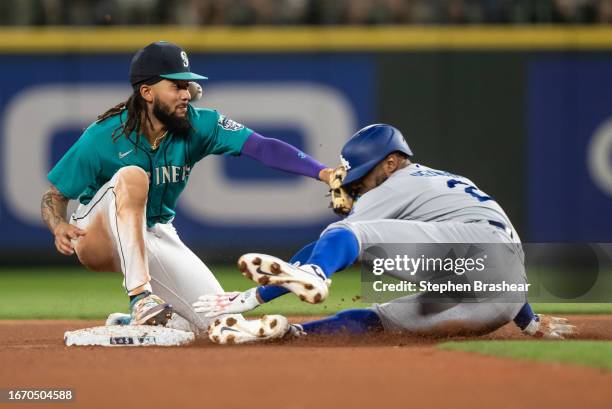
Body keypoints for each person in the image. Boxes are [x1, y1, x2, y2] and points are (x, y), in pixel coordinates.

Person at [40, 41, 333, 334]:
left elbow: (264, 147)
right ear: (147, 92)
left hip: (153, 233)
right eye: (176, 85)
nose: (186, 94)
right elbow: (54, 196)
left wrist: (322, 172)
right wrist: (58, 226)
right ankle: (140, 299)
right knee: (132, 176)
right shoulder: (103, 136)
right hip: (95, 234)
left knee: (221, 323)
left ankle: (143, 321)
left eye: (187, 85)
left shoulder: (199, 125)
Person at [194, 124, 576, 344]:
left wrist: (257, 294)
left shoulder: (397, 184)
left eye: (362, 177)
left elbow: (330, 242)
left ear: (391, 162)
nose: (357, 186)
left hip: (476, 267)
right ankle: (288, 335)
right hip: (497, 302)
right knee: (378, 319)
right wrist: (525, 318)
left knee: (342, 237)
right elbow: (500, 249)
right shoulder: (450, 182)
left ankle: (314, 277)